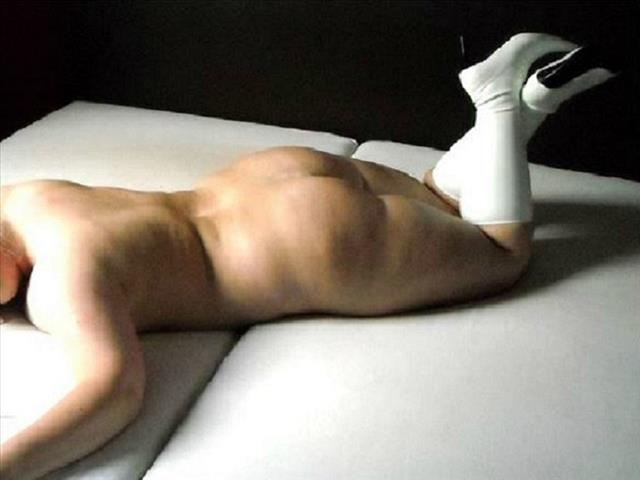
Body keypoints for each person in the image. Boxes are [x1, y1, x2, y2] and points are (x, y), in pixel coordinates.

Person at [0, 33, 615, 479]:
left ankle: (500, 103)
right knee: (439, 195)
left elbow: (115, 390)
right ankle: (535, 97)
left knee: (501, 251)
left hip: (305, 242)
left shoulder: (64, 281)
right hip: (267, 176)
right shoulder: (21, 197)